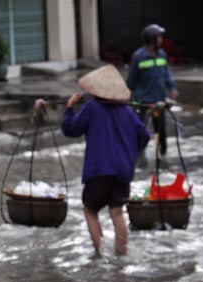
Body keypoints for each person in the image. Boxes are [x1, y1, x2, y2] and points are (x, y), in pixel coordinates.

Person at [61, 65, 150, 255]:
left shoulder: (92, 108)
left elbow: (71, 129)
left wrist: (69, 108)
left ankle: (101, 255)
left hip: (100, 170)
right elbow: (144, 135)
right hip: (123, 172)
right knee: (117, 212)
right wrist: (130, 153)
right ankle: (121, 256)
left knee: (90, 210)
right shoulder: (128, 111)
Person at [127, 24, 178, 157]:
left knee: (160, 130)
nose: (161, 39)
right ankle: (138, 155)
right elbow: (131, 79)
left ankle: (162, 154)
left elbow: (167, 73)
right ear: (152, 39)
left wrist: (172, 87)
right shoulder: (139, 56)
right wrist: (129, 97)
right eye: (159, 37)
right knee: (140, 130)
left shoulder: (162, 54)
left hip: (158, 101)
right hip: (142, 101)